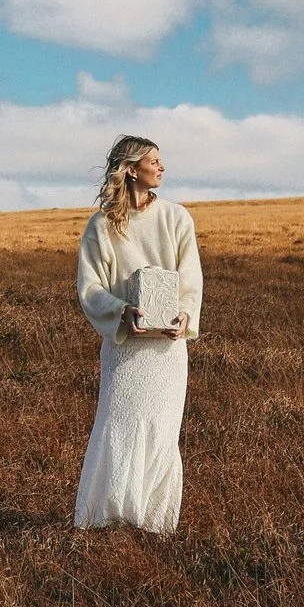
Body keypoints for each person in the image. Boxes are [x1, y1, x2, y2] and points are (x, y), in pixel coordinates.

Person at [71, 134, 202, 533]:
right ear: (131, 170)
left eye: (161, 161)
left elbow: (191, 276)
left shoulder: (177, 218)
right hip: (125, 349)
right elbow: (89, 286)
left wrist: (184, 315)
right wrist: (120, 312)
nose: (162, 167)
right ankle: (106, 523)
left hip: (167, 353)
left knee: (161, 432)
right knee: (119, 428)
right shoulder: (103, 225)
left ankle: (154, 525)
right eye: (154, 161)